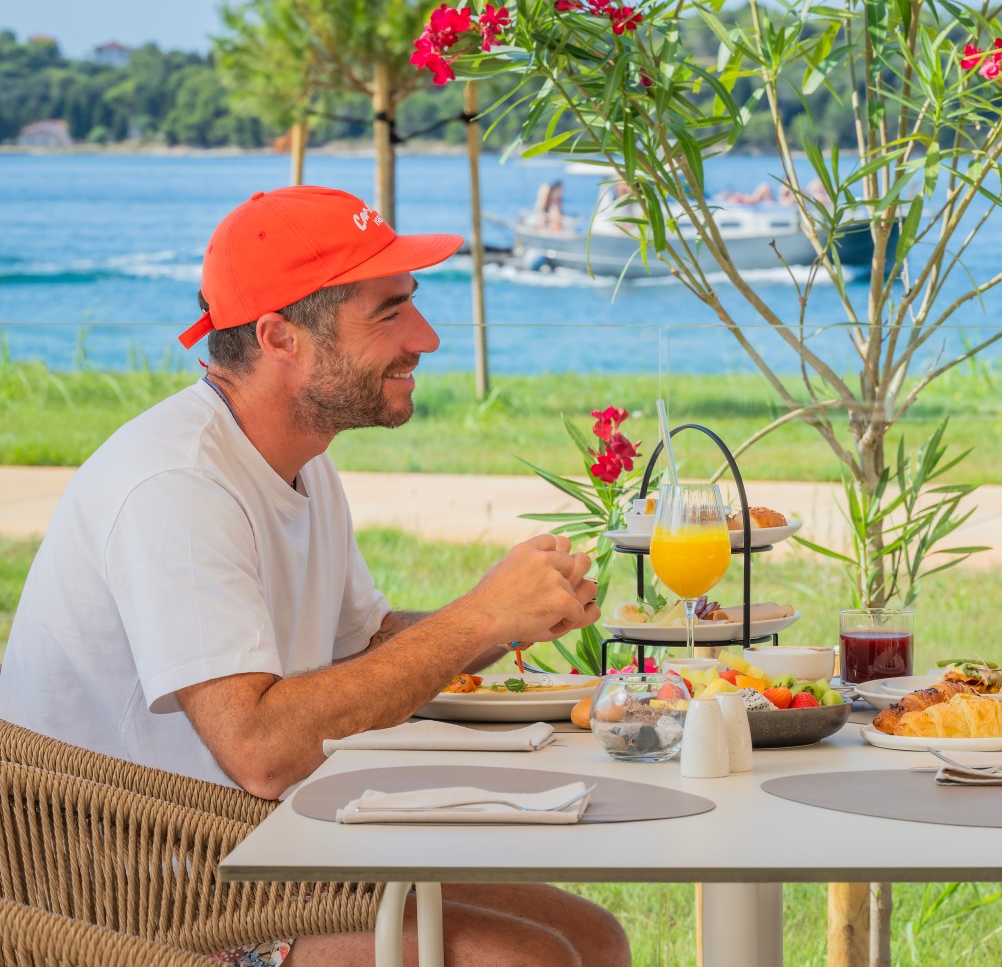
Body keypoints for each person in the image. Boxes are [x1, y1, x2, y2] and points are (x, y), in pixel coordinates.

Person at [0, 187, 629, 967]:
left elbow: (367, 643)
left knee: (595, 938)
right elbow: (261, 747)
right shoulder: (176, 482)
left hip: (254, 851)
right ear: (279, 337)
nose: (426, 338)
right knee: (526, 961)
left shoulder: (299, 458)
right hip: (142, 892)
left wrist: (512, 618)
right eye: (388, 313)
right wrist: (479, 616)